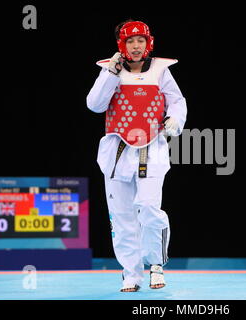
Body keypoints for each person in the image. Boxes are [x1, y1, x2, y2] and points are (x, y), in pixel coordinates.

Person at [86, 19, 187, 292]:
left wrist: (175, 120)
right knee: (121, 215)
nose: (136, 46)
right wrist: (110, 72)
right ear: (122, 45)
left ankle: (155, 264)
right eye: (130, 41)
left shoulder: (161, 70)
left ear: (148, 43)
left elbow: (177, 101)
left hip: (151, 147)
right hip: (117, 150)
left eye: (140, 40)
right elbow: (95, 104)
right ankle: (131, 272)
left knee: (149, 206)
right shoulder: (110, 70)